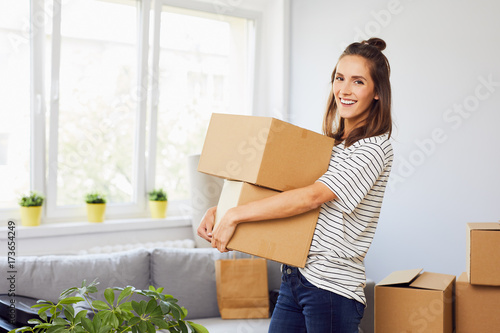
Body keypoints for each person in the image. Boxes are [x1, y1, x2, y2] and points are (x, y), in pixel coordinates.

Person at [197, 37, 393, 333]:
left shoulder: (374, 149)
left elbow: (311, 197)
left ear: (377, 92)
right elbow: (281, 194)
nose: (345, 90)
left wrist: (235, 215)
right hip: (295, 277)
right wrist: (222, 209)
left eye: (358, 82)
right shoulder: (332, 147)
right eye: (339, 78)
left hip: (332, 288)